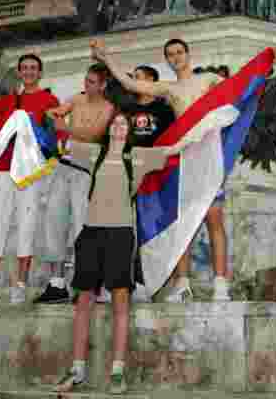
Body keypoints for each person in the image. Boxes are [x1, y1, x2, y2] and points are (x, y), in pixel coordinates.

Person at [53, 110, 187, 394]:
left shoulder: (138, 156)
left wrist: (206, 126)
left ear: (129, 131)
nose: (118, 126)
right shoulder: (94, 153)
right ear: (109, 127)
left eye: (123, 123)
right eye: (114, 122)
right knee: (83, 302)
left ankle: (117, 370)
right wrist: (57, 116)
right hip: (91, 232)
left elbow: (176, 147)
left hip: (121, 235)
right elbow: (62, 141)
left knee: (121, 302)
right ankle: (76, 369)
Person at [91, 37, 230, 302]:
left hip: (210, 153)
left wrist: (265, 68)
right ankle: (183, 284)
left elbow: (239, 89)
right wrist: (107, 58)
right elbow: (131, 84)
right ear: (167, 60)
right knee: (184, 222)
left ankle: (221, 283)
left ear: (188, 54)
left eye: (179, 52)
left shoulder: (208, 79)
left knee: (214, 218)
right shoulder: (168, 88)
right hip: (186, 156)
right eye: (170, 54)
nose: (176, 57)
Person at [0, 54, 61, 305]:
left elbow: (53, 134)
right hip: (4, 166)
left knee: (28, 222)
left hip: (30, 170)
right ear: (20, 73)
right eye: (24, 68)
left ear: (40, 72)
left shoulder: (49, 99)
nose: (29, 72)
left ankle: (20, 284)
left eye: (33, 68)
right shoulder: (10, 100)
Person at [35, 64, 116, 305]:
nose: (86, 85)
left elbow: (94, 134)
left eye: (91, 82)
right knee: (54, 221)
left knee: (83, 227)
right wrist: (54, 115)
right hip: (64, 165)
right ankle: (57, 283)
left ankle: (85, 283)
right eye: (86, 80)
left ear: (102, 85)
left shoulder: (108, 107)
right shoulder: (77, 99)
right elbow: (56, 112)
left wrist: (67, 127)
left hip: (87, 171)